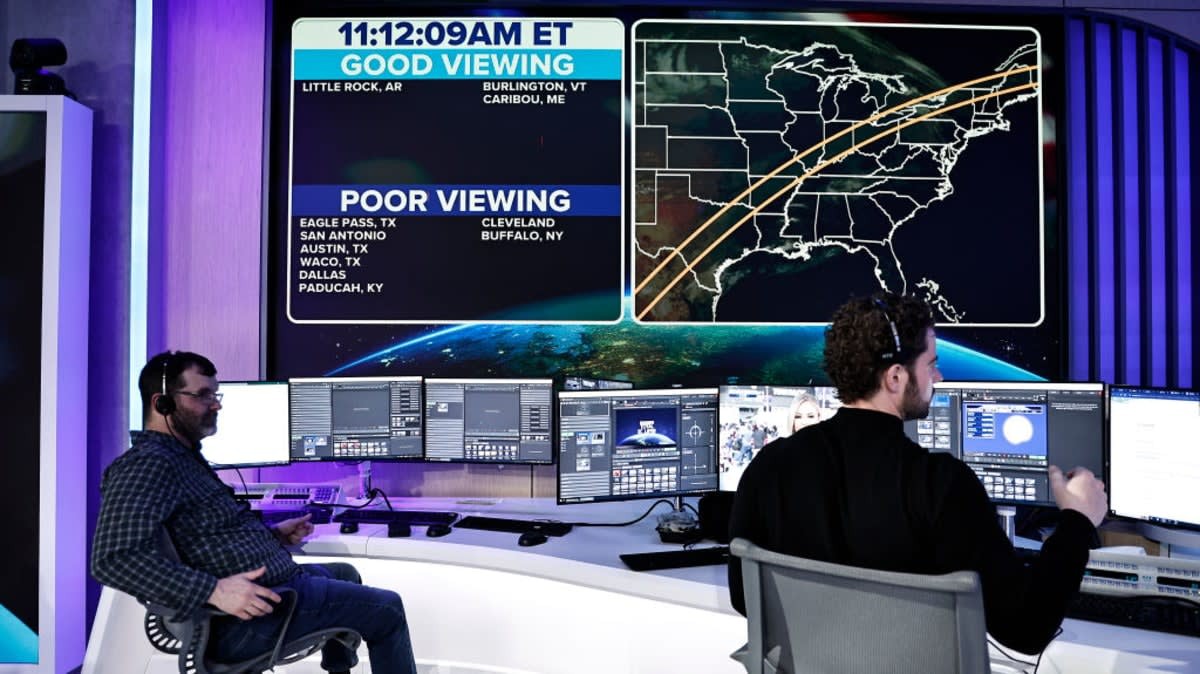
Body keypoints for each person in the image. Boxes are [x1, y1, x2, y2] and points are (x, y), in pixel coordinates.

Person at [727, 293, 1107, 654]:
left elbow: (746, 598)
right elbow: (1026, 629)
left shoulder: (768, 467)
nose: (937, 377)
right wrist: (1077, 522)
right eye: (930, 364)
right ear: (895, 377)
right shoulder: (941, 485)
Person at [91, 351, 418, 674]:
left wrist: (274, 535)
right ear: (162, 403)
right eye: (203, 395)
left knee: (346, 573)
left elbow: (208, 534)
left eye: (215, 395)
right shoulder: (147, 465)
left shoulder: (181, 457)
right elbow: (113, 558)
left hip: (270, 590)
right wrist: (215, 591)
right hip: (238, 620)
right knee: (387, 609)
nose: (216, 405)